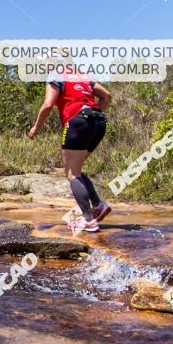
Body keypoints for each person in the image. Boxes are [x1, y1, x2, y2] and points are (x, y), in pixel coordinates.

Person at [28, 73, 113, 232]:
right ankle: (98, 205)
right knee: (77, 169)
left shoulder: (56, 76)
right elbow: (106, 95)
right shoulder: (82, 77)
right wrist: (92, 115)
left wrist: (35, 128)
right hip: (99, 121)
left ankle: (88, 220)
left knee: (71, 172)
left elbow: (48, 105)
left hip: (78, 121)